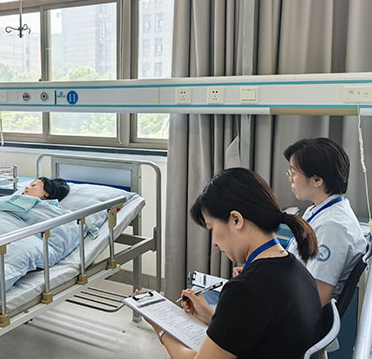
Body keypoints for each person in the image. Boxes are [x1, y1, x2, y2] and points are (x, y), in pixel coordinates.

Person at [147, 168, 322, 359]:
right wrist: (214, 319)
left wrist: (162, 329)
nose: (214, 242)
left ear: (236, 220)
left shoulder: (247, 289)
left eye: (212, 228)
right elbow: (259, 333)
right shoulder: (296, 269)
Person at [284, 137, 368, 306]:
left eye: (293, 173)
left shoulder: (332, 227)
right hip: (289, 293)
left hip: (295, 313)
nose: (290, 178)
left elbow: (316, 298)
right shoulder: (321, 209)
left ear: (317, 180)